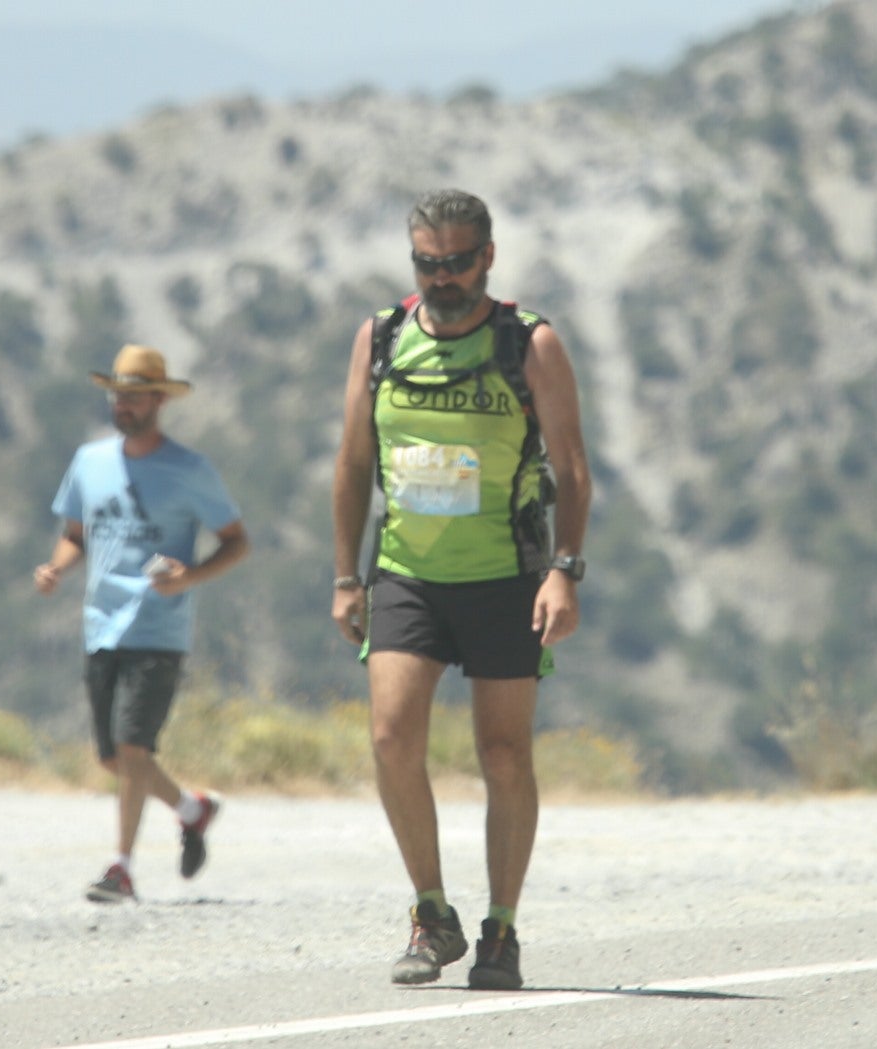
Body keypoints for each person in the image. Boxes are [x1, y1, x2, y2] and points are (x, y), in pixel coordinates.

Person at [330, 189, 592, 989]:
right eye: (427, 262)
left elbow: (574, 467)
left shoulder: (529, 342)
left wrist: (564, 569)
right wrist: (345, 575)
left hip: (505, 575)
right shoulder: (381, 337)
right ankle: (431, 913)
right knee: (390, 738)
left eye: (457, 261)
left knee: (504, 754)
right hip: (407, 572)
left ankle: (501, 930)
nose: (442, 276)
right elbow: (353, 463)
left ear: (488, 257)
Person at [35, 343, 249, 903]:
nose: (122, 405)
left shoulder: (189, 469)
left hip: (159, 627)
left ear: (159, 401)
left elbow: (236, 543)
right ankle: (192, 810)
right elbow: (75, 534)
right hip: (100, 624)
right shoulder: (90, 462)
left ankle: (122, 869)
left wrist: (189, 577)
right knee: (113, 758)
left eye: (133, 397)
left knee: (132, 750)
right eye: (116, 396)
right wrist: (56, 568)